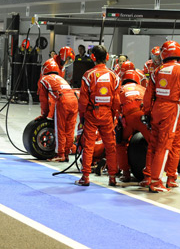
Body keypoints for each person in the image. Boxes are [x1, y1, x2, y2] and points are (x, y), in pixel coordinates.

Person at [143, 41, 180, 192]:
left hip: (157, 108)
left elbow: (148, 95)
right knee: (167, 146)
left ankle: (155, 177)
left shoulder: (156, 71)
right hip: (173, 109)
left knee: (154, 145)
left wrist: (147, 112)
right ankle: (156, 181)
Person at [76, 45, 120, 187]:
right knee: (110, 146)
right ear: (107, 57)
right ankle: (112, 177)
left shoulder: (88, 75)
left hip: (92, 113)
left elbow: (83, 101)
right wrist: (113, 115)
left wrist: (82, 117)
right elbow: (117, 100)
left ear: (93, 57)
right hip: (107, 114)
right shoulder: (114, 76)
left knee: (88, 145)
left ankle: (85, 176)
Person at [37, 59, 78, 162]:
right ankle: (67, 153)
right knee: (70, 129)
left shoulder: (44, 79)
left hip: (63, 100)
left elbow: (44, 101)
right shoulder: (61, 78)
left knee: (60, 129)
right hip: (74, 99)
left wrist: (44, 115)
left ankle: (60, 154)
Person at [116, 70, 152, 182]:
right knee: (153, 145)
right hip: (143, 116)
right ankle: (149, 176)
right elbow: (151, 103)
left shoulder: (120, 90)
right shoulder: (142, 89)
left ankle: (125, 173)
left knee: (120, 143)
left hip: (128, 118)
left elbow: (116, 109)